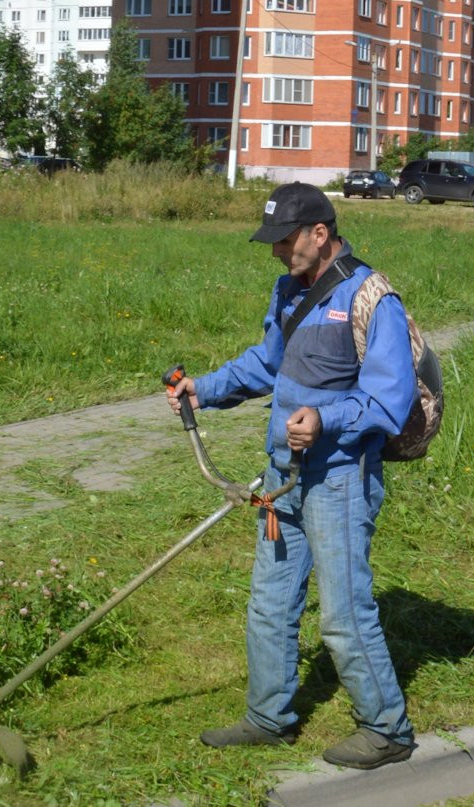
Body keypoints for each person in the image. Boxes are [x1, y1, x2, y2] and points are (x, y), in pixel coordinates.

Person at [165, 182, 417, 770]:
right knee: (270, 604)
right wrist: (205, 389)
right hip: (283, 476)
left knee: (343, 613)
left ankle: (388, 729)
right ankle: (268, 717)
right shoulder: (288, 291)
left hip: (339, 480)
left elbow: (389, 401)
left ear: (320, 234)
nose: (277, 251)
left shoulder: (373, 299)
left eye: (285, 240)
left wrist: (325, 420)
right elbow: (266, 364)